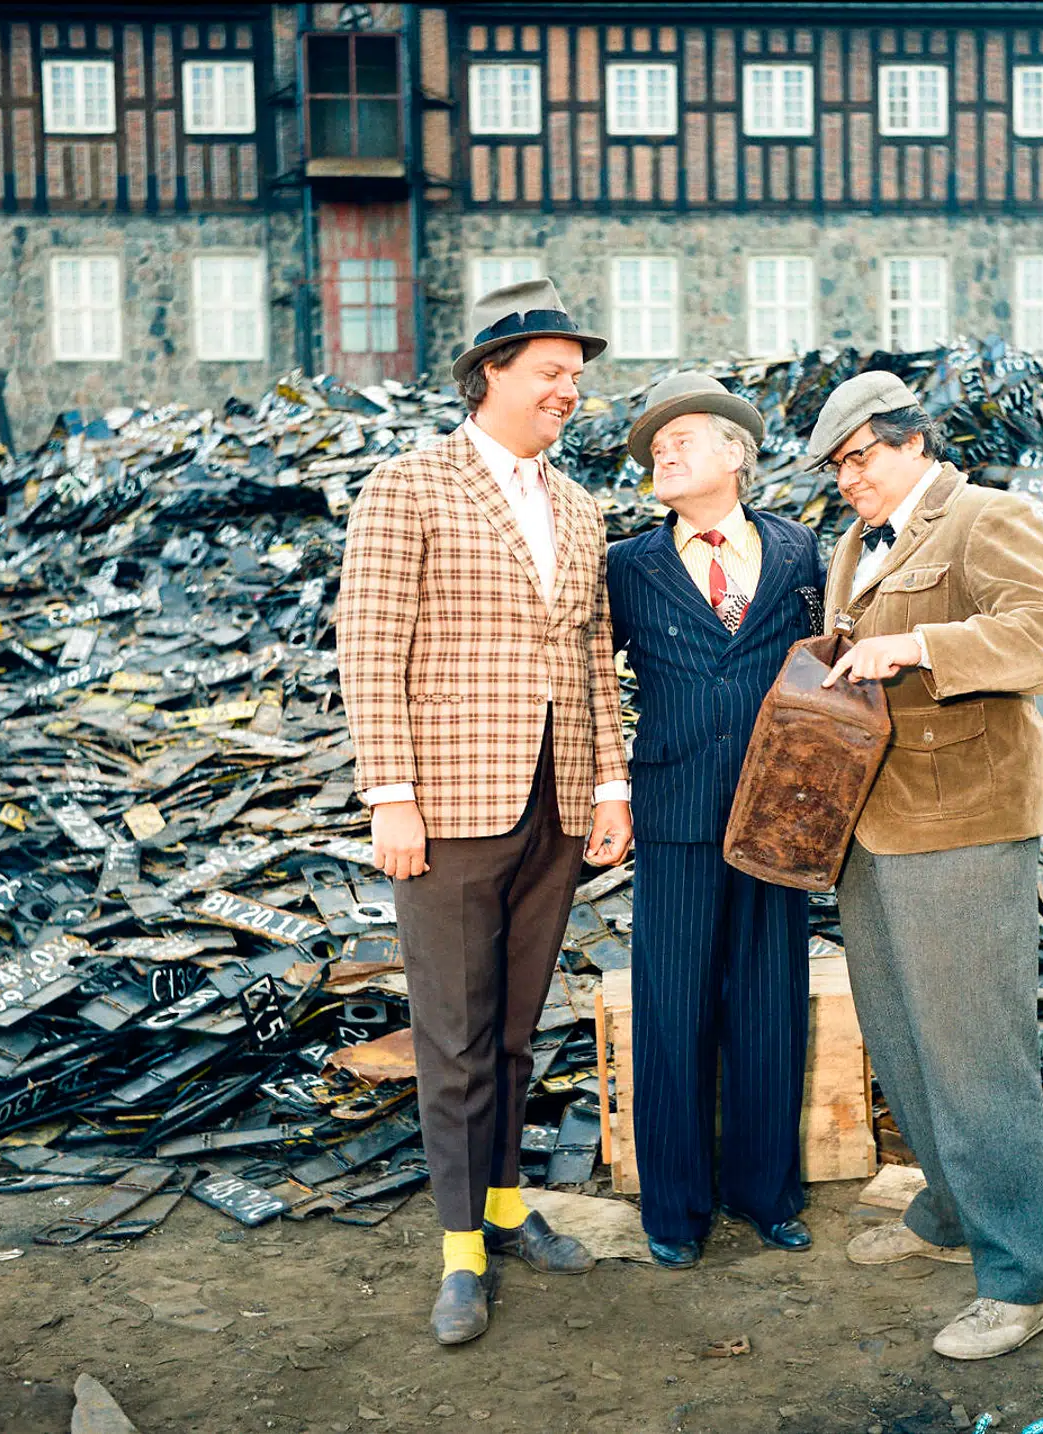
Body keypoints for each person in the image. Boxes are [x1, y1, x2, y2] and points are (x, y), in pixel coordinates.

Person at [335, 278, 632, 1346]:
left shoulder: (583, 507)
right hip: (448, 805)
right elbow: (369, 647)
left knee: (513, 1025)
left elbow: (591, 655)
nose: (570, 389)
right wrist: (391, 795)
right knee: (453, 1034)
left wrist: (608, 785)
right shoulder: (408, 486)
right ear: (491, 373)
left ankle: (506, 1207)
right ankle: (461, 1252)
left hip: (555, 803)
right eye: (551, 371)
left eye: (576, 375)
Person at [807, 371, 1043, 1361]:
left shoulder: (985, 518)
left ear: (916, 441)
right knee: (903, 1039)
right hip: (872, 829)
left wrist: (920, 644)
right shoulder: (852, 545)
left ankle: (1022, 1285)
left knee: (975, 1050)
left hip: (965, 824)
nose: (850, 481)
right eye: (837, 468)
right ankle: (953, 1209)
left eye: (863, 457)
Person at [606, 373, 825, 1268]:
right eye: (654, 446)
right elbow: (587, 683)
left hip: (781, 817)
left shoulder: (802, 551)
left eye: (684, 436)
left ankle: (766, 1194)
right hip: (676, 812)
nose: (663, 450)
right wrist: (602, 792)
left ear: (736, 453)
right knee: (672, 1010)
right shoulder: (627, 565)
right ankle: (675, 1210)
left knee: (772, 1006)